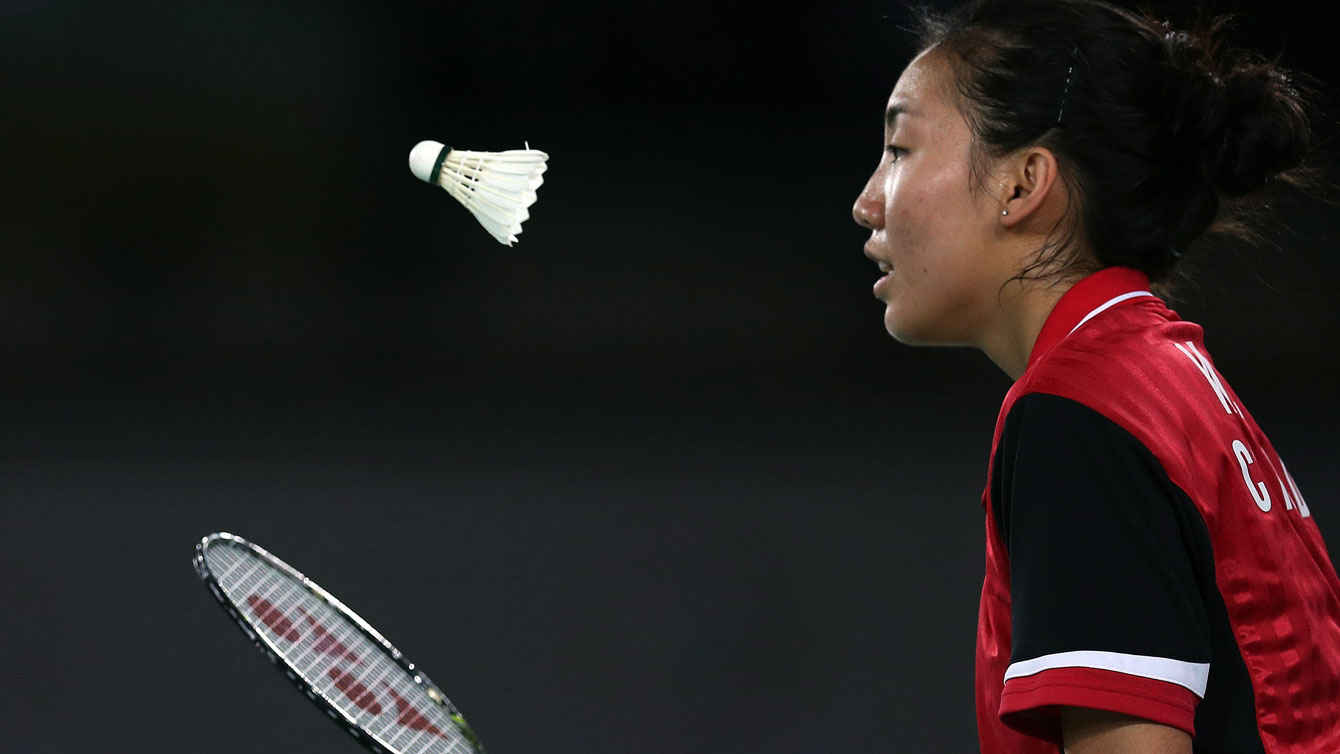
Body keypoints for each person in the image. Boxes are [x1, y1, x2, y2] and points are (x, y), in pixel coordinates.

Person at [850, 0, 1340, 751]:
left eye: (902, 148)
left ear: (1022, 184)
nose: (867, 202)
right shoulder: (1166, 378)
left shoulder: (1079, 414)